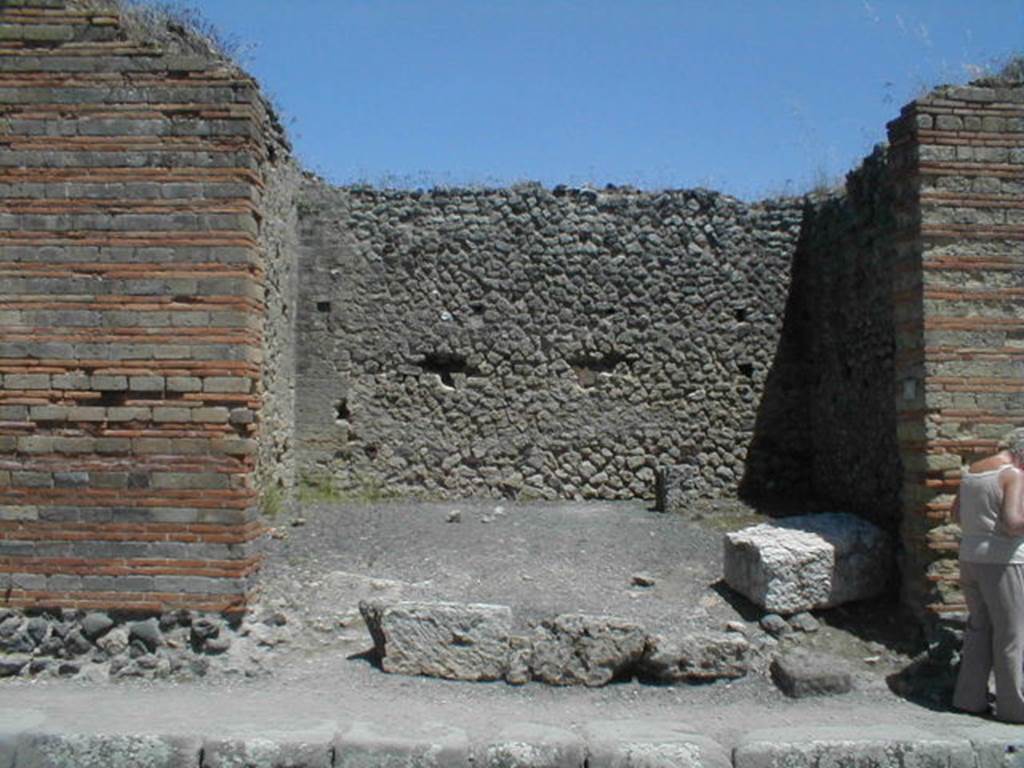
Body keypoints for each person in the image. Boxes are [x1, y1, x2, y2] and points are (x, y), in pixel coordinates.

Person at [952, 427, 1024, 722]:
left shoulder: (972, 472)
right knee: (1012, 634)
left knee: (979, 629)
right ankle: (1014, 708)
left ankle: (969, 698)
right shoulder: (1013, 475)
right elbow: (1012, 523)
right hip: (1004, 563)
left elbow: (955, 514)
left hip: (969, 558)